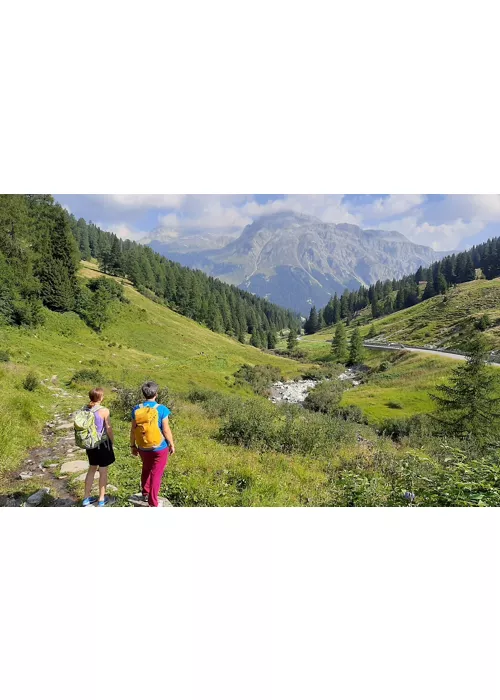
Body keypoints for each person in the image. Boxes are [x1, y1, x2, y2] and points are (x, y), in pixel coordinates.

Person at [130, 381, 176, 507]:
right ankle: (153, 502)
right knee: (156, 473)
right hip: (159, 447)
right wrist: (171, 444)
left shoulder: (136, 409)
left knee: (146, 468)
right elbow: (166, 430)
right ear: (156, 394)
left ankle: (145, 493)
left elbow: (133, 429)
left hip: (142, 446)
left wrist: (133, 446)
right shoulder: (162, 409)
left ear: (143, 393)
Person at [82, 388, 115, 507]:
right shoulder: (104, 411)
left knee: (91, 469)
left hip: (90, 444)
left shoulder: (85, 409)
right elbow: (108, 428)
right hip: (102, 444)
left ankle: (86, 498)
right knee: (103, 472)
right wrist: (112, 441)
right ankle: (101, 499)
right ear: (100, 398)